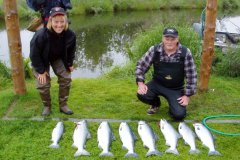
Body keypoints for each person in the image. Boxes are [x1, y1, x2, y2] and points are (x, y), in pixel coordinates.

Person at [136, 27, 197, 120]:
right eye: (167, 39)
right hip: (157, 84)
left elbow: (191, 75)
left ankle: (173, 106)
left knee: (179, 115)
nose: (169, 42)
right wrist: (140, 83)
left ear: (177, 39)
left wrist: (187, 95)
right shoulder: (154, 50)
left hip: (175, 88)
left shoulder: (185, 52)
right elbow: (141, 65)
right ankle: (156, 103)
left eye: (173, 39)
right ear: (162, 39)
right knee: (142, 94)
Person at [30, 7, 76, 116]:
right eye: (56, 22)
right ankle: (47, 106)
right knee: (43, 83)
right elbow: (34, 54)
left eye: (62, 22)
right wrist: (41, 71)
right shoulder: (40, 35)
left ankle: (63, 105)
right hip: (41, 60)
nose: (59, 25)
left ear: (65, 22)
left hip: (57, 58)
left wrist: (69, 64)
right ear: (50, 21)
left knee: (66, 78)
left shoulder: (70, 35)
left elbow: (71, 51)